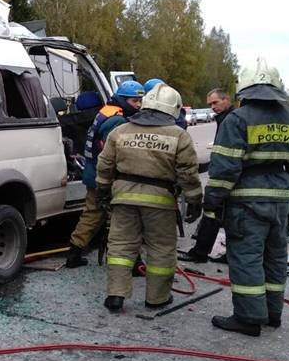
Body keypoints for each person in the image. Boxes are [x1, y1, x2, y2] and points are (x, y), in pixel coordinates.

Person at [204, 58, 289, 336]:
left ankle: (249, 318)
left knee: (246, 257)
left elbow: (225, 167)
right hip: (281, 199)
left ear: (245, 88)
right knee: (275, 257)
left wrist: (213, 201)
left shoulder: (239, 119)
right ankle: (272, 313)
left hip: (246, 200)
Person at [97, 83, 202, 312]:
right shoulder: (178, 135)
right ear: (173, 108)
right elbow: (187, 173)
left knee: (121, 248)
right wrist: (195, 200)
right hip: (160, 202)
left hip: (123, 198)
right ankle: (157, 298)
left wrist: (103, 192)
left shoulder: (120, 131)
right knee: (161, 249)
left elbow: (104, 166)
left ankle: (116, 294)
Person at [65, 80, 145, 268]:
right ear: (124, 100)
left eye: (141, 101)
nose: (139, 105)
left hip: (93, 174)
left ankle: (74, 254)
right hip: (106, 178)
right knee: (119, 219)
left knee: (91, 214)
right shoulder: (116, 120)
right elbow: (113, 153)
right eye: (135, 101)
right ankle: (130, 262)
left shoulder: (107, 111)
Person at [178, 87, 237, 263]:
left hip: (226, 175)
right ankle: (204, 252)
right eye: (210, 104)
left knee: (215, 211)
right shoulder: (225, 118)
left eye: (215, 102)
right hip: (223, 172)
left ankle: (201, 253)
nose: (212, 107)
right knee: (218, 213)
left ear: (226, 99)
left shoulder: (232, 119)